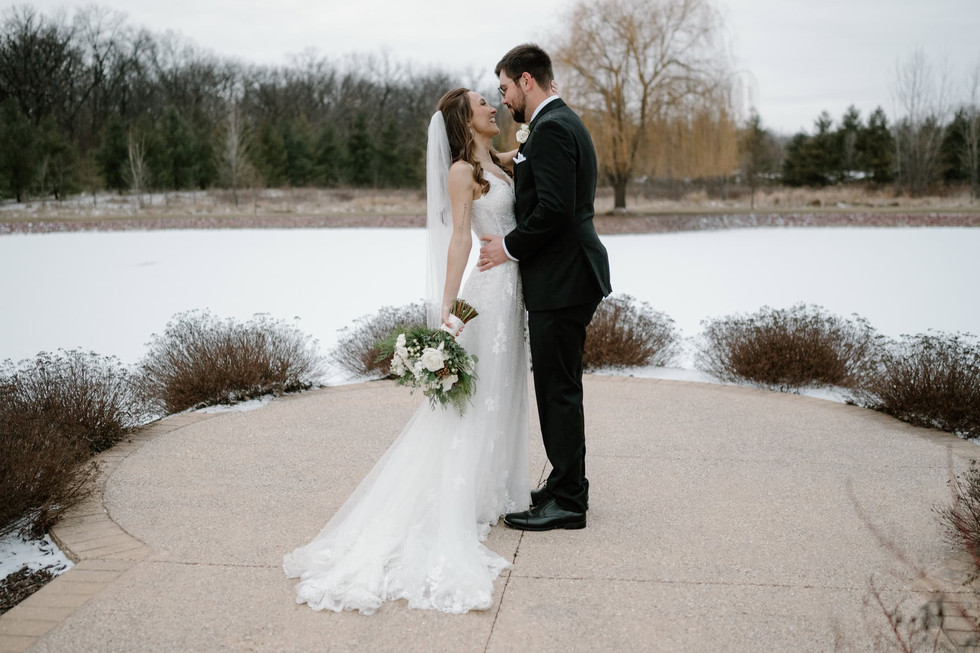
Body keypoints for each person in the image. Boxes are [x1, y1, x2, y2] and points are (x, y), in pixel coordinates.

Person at [282, 88, 530, 615]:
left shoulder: (499, 162)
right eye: (483, 102)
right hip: (487, 293)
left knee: (504, 390)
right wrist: (447, 309)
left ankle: (495, 492)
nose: (493, 105)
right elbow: (460, 237)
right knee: (478, 397)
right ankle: (462, 499)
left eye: (494, 97)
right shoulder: (463, 171)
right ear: (465, 119)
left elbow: (525, 159)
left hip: (514, 295)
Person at [479, 44, 612, 531]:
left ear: (527, 81)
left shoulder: (552, 128)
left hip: (564, 278)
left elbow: (554, 209)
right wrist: (513, 158)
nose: (504, 97)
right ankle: (561, 484)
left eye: (506, 87)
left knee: (558, 390)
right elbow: (546, 184)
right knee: (558, 386)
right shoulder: (554, 125)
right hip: (567, 276)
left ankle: (570, 502)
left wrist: (507, 248)